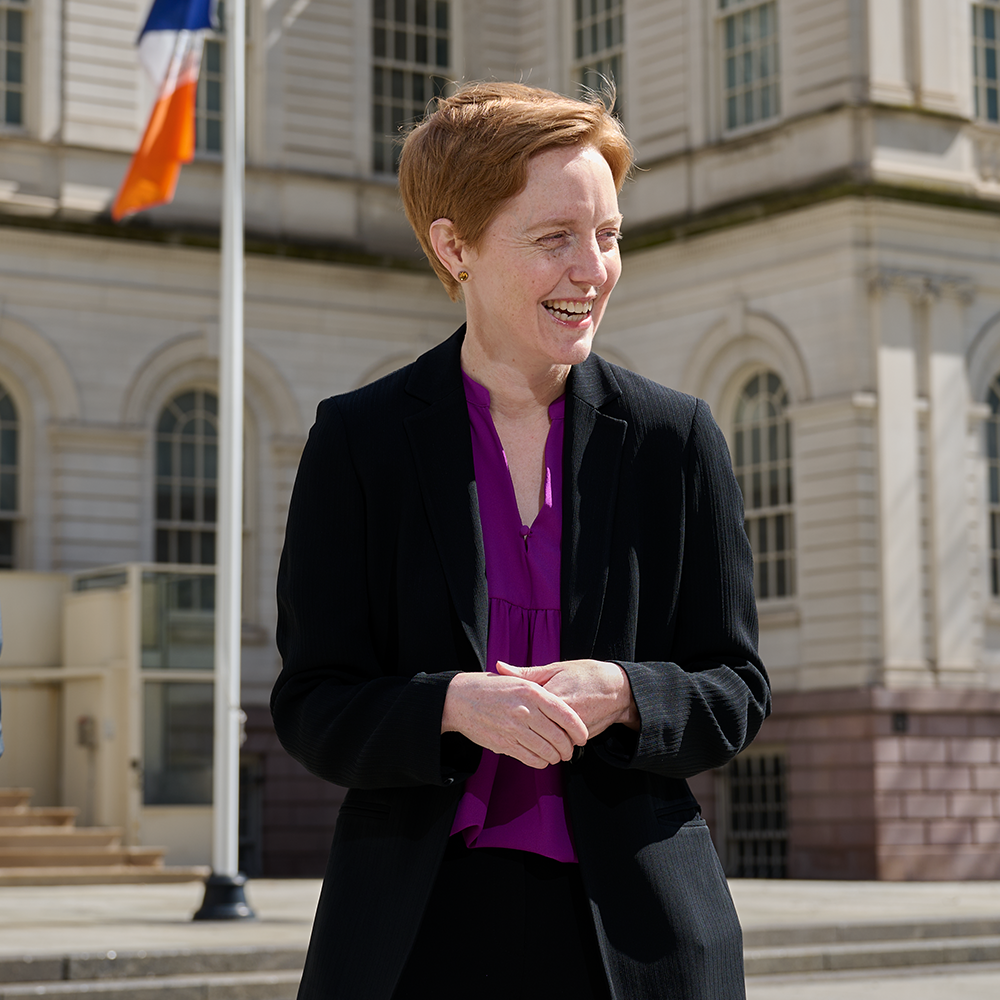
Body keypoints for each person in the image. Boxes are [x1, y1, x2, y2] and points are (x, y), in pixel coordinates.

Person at [271, 81, 770, 1000]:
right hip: (415, 940)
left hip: (641, 944)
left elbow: (737, 690)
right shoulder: (360, 441)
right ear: (453, 246)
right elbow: (312, 704)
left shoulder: (676, 439)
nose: (594, 269)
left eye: (609, 235)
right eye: (555, 239)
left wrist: (625, 692)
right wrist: (451, 706)